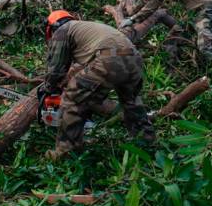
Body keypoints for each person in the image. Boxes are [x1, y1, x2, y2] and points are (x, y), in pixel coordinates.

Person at [40, 10, 155, 161]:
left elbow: (55, 69)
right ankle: (147, 142)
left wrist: (48, 88)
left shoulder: (62, 31)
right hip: (134, 58)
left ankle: (65, 151)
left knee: (72, 99)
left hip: (108, 59)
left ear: (51, 26)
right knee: (131, 103)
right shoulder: (85, 27)